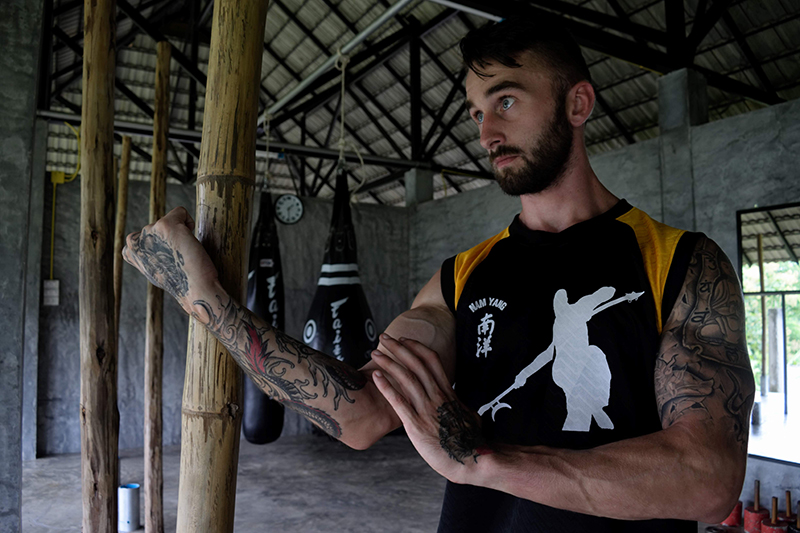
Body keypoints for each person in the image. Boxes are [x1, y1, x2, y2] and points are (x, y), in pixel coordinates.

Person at [123, 14, 755, 532]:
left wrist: (489, 463)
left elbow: (707, 478)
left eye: (505, 99)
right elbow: (363, 414)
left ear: (577, 103)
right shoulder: (463, 277)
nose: (487, 131)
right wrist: (202, 296)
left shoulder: (680, 264)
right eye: (477, 111)